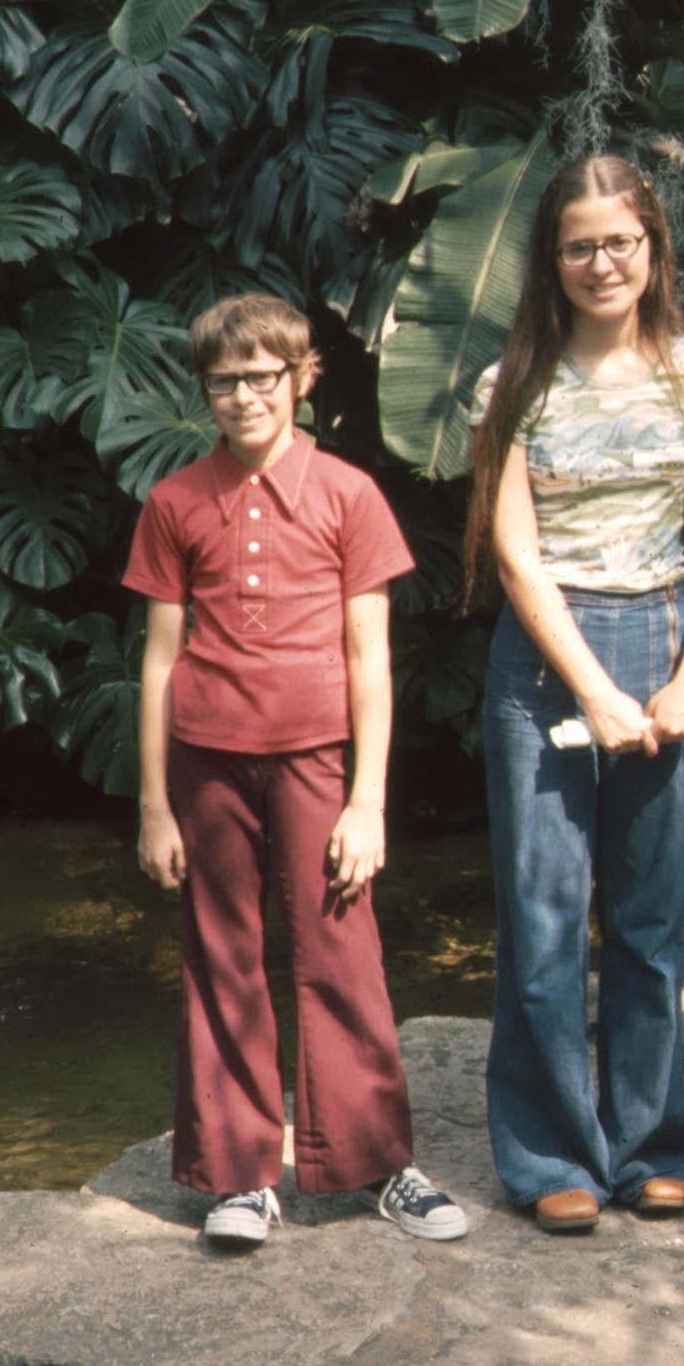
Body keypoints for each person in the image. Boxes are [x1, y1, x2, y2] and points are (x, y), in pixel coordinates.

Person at [123, 293, 470, 1248]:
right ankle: (241, 1176)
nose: (243, 397)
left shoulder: (348, 493)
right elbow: (158, 657)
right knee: (223, 954)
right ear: (203, 390)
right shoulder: (176, 500)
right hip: (207, 765)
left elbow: (371, 654)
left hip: (317, 758)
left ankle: (377, 1165)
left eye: (262, 377)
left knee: (339, 952)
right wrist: (154, 805)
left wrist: (369, 800)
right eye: (223, 382)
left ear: (301, 378)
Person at [464, 154, 684, 1232]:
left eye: (619, 241)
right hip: (545, 660)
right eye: (579, 244)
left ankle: (651, 1141)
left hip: (666, 638)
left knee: (644, 917)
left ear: (652, 248)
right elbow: (515, 554)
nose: (601, 262)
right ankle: (550, 1158)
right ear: (552, 258)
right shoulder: (514, 386)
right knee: (542, 915)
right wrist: (591, 683)